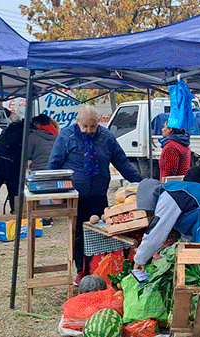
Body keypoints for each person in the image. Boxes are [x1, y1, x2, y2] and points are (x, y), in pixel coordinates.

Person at [47, 105, 143, 285]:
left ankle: (99, 269)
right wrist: (54, 191)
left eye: (93, 126)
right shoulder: (67, 136)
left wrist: (140, 183)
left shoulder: (106, 137)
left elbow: (122, 163)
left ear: (98, 123)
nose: (89, 131)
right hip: (75, 196)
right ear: (78, 122)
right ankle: (80, 271)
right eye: (85, 126)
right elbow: (54, 164)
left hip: (99, 194)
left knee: (101, 232)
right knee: (78, 234)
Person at [0, 118, 25, 214]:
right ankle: (15, 212)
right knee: (14, 191)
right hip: (14, 164)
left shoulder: (7, 131)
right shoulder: (24, 133)